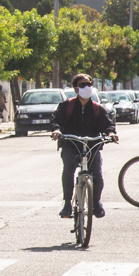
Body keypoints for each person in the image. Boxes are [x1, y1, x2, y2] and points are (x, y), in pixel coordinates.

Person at [50, 73, 118, 219]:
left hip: (92, 145)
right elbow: (56, 120)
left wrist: (111, 133)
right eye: (82, 85)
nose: (86, 87)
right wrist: (56, 130)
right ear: (76, 88)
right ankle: (67, 204)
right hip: (70, 144)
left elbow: (107, 124)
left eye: (89, 84)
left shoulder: (96, 108)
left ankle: (96, 202)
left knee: (97, 174)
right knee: (68, 169)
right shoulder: (66, 106)